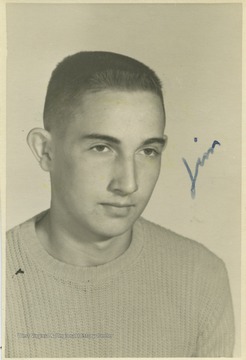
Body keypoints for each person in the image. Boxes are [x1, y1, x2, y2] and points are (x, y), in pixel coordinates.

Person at [6, 51, 234, 357]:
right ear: (46, 151)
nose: (129, 184)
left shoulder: (200, 276)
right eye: (102, 148)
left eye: (148, 151)